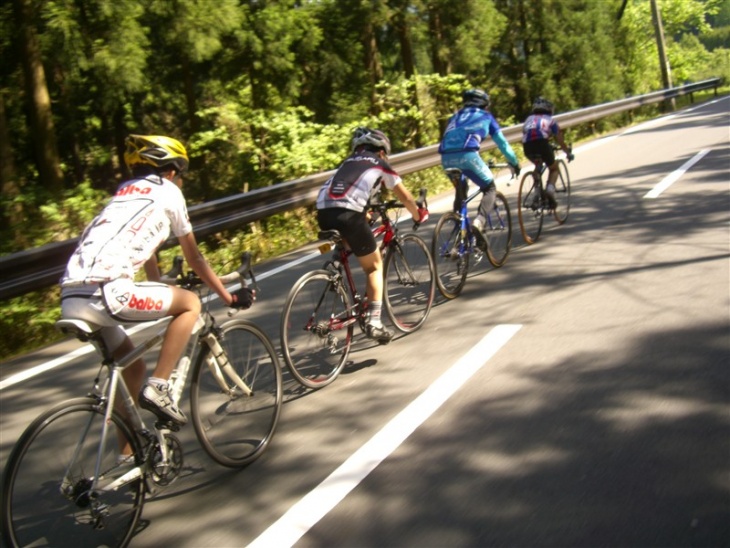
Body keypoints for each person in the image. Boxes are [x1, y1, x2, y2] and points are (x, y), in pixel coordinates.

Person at [60, 134, 254, 433]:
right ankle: (160, 387)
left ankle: (129, 460)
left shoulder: (122, 194)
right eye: (182, 176)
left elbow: (147, 256)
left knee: (131, 368)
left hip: (71, 294)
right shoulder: (168, 193)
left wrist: (159, 281)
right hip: (108, 292)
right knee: (189, 303)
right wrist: (228, 297)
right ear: (173, 172)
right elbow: (195, 258)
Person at [315, 127, 428, 345]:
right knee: (374, 266)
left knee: (351, 236)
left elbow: (347, 192)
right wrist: (418, 214)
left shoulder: (347, 163)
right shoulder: (379, 163)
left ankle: (337, 264)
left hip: (323, 212)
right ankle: (374, 321)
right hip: (348, 214)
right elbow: (404, 196)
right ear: (382, 151)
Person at [438, 88, 520, 248]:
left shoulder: (454, 116)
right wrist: (514, 162)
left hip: (446, 158)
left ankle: (458, 233)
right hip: (467, 156)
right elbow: (502, 143)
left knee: (461, 191)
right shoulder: (486, 116)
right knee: (489, 187)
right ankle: (479, 222)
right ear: (484, 104)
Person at [521, 96, 574, 208]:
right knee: (554, 168)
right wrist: (567, 153)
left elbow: (525, 133)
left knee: (538, 165)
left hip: (527, 147)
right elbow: (559, 139)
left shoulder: (528, 120)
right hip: (542, 145)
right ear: (549, 109)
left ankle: (536, 194)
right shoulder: (550, 120)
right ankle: (550, 190)